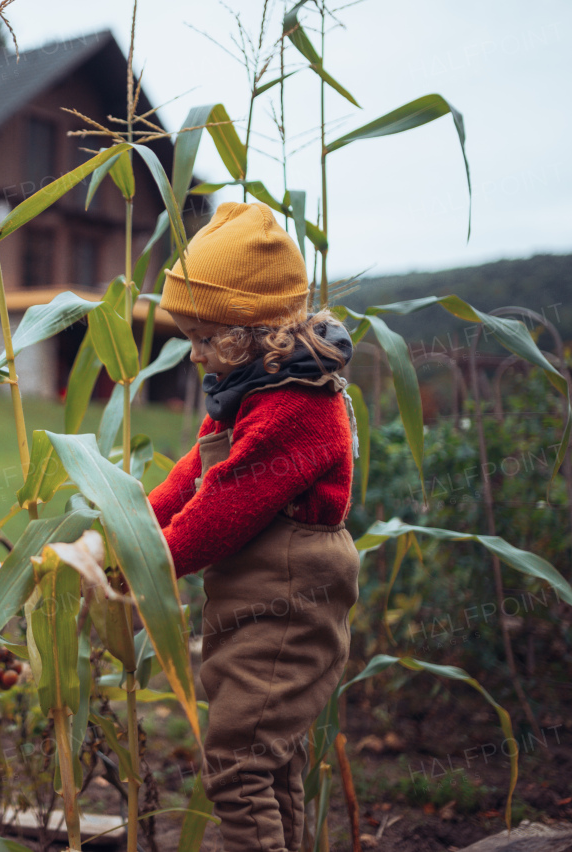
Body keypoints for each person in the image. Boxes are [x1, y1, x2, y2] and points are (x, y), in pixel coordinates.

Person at [147, 202, 360, 852]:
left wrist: (148, 562)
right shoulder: (252, 383)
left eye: (206, 337)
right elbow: (196, 471)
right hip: (261, 589)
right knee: (272, 759)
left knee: (238, 765)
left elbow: (225, 507)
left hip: (291, 592)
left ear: (253, 327)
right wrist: (136, 521)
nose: (194, 354)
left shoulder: (297, 405)